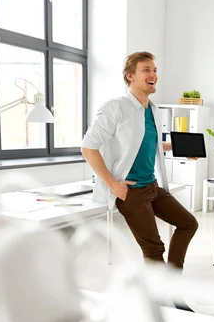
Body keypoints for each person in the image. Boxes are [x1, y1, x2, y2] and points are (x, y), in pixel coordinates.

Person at [81, 51, 198, 270]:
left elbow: (146, 144)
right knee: (154, 249)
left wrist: (180, 148)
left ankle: (172, 283)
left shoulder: (152, 109)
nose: (153, 74)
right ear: (130, 76)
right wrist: (112, 183)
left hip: (151, 186)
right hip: (131, 192)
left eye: (154, 70)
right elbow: (88, 147)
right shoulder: (116, 107)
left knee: (188, 223)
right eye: (146, 70)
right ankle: (166, 299)